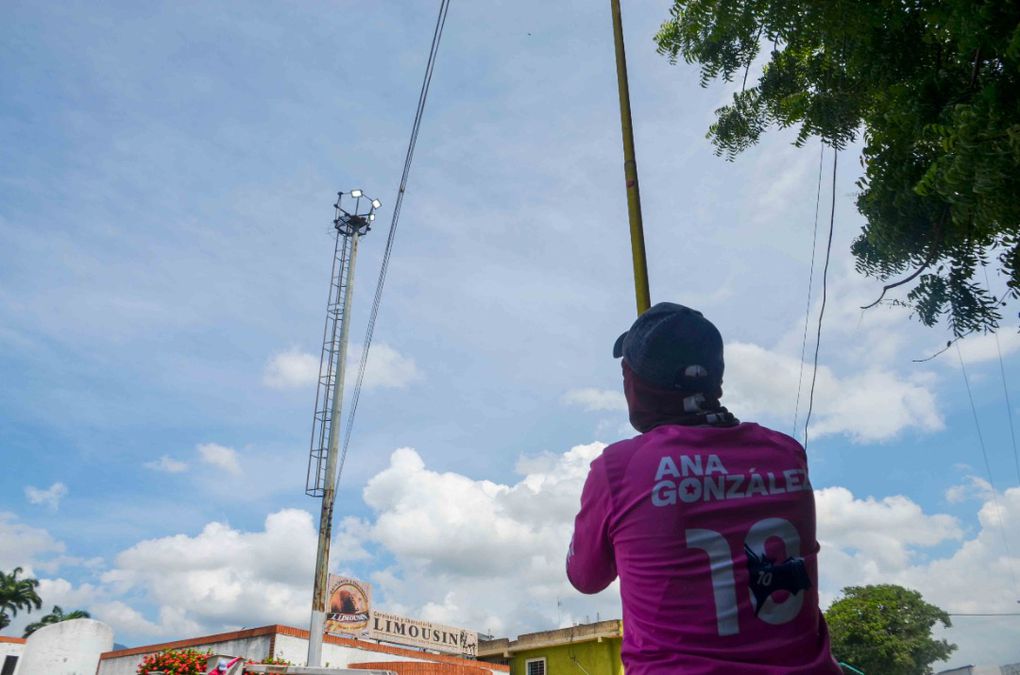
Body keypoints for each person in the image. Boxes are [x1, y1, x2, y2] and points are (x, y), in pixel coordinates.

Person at [566, 302, 841, 674]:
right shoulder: (787, 453)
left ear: (637, 383)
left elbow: (585, 578)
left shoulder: (619, 468)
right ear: (717, 380)